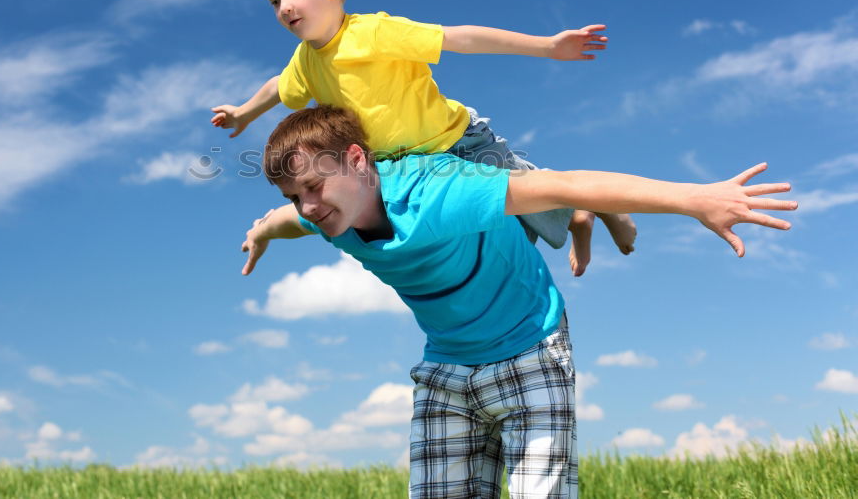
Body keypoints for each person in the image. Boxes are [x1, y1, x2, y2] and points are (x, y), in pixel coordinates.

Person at [239, 105, 797, 499]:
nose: (308, 205)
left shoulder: (440, 194)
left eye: (314, 186)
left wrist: (696, 199)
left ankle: (590, 221)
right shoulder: (329, 219)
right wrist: (263, 230)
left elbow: (568, 181)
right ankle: (577, 222)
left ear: (359, 161)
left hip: (531, 345)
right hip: (447, 368)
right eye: (296, 194)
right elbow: (291, 222)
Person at [211, 0, 636, 277]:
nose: (284, 7)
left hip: (456, 141)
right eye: (273, 1)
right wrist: (245, 112)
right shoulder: (304, 62)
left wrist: (547, 46)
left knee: (538, 193)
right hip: (403, 167)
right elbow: (278, 86)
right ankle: (576, 217)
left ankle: (597, 208)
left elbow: (459, 37)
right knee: (493, 241)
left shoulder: (374, 33)